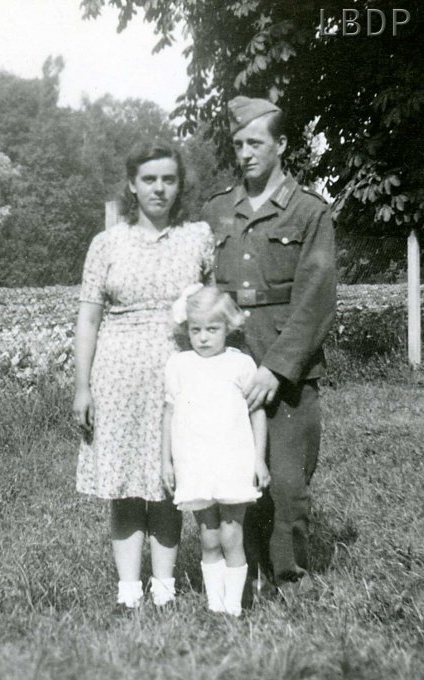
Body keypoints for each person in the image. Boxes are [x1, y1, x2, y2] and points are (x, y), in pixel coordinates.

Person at [202, 96, 336, 595]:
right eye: (238, 144)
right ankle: (247, 575)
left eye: (255, 143)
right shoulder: (217, 209)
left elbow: (317, 299)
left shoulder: (309, 212)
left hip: (290, 369)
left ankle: (291, 579)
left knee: (287, 482)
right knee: (236, 477)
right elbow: (202, 290)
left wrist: (277, 369)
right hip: (229, 366)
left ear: (281, 145)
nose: (245, 153)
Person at [73, 140, 214, 611]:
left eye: (168, 179)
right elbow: (88, 321)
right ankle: (129, 591)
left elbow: (211, 310)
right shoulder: (107, 243)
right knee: (125, 484)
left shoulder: (197, 237)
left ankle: (166, 587)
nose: (159, 188)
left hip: (178, 375)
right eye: (149, 179)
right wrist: (82, 386)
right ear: (132, 185)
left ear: (179, 185)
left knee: (168, 482)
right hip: (118, 374)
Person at [161, 285, 269, 616]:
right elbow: (168, 414)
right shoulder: (179, 365)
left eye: (212, 329)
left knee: (231, 535)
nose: (204, 338)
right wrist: (166, 460)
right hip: (194, 461)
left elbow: (257, 413)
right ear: (186, 330)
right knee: (208, 536)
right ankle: (214, 604)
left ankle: (234, 606)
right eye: (196, 330)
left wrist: (259, 459)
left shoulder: (241, 364)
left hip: (232, 460)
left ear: (228, 328)